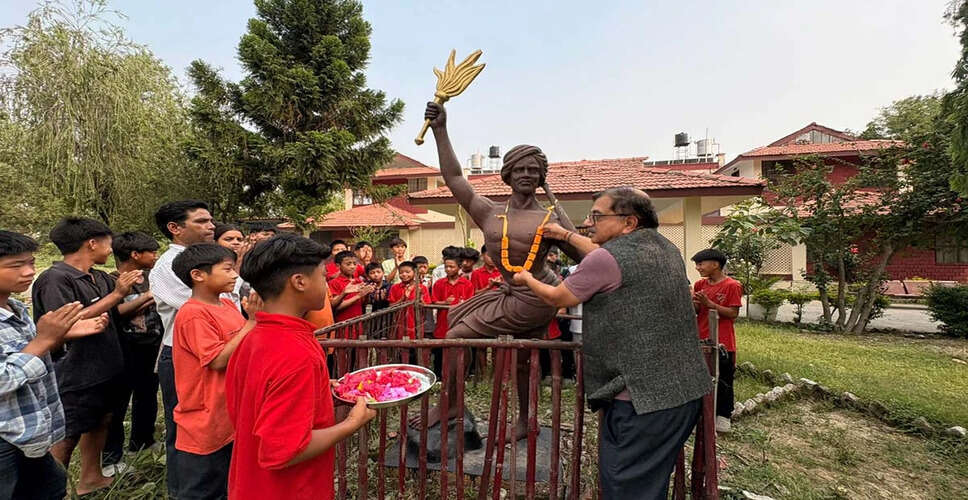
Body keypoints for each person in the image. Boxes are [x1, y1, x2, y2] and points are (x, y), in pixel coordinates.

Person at [511, 187, 711, 499]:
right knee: (648, 483)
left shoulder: (607, 259)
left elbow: (558, 296)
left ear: (629, 223)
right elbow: (599, 254)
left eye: (598, 216)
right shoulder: (663, 247)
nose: (589, 223)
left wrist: (527, 278)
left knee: (624, 486)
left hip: (641, 401)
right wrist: (564, 236)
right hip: (683, 391)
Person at [417, 101, 581, 435]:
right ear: (507, 173)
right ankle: (524, 421)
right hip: (513, 291)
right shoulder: (489, 212)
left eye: (534, 171)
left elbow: (580, 256)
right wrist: (441, 130)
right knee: (519, 358)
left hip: (536, 296)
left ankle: (450, 405)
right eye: (519, 169)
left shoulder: (549, 218)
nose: (526, 175)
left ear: (541, 177)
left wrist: (556, 207)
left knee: (455, 335)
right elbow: (453, 177)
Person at [226, 234, 376, 499]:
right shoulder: (296, 353)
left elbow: (258, 404)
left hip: (250, 485)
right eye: (323, 277)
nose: (327, 285)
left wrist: (319, 392)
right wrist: (351, 424)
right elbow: (282, 450)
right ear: (299, 282)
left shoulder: (253, 337)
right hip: (288, 490)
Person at [31, 217, 142, 495]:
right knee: (68, 433)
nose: (111, 249)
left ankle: (91, 477)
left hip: (104, 364)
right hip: (75, 368)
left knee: (100, 420)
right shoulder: (55, 279)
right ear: (92, 243)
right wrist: (116, 295)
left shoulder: (100, 276)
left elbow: (111, 312)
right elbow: (63, 322)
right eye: (108, 243)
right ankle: (52, 490)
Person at [0, 230, 107, 500]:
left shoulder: (16, 309)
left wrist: (53, 336)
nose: (28, 271)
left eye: (31, 262)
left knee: (51, 488)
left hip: (29, 433)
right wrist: (46, 339)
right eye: (16, 265)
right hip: (5, 438)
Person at [171, 243, 257, 499]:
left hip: (228, 413)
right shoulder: (193, 314)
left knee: (226, 484)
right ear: (198, 275)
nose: (234, 275)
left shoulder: (227, 306)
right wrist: (251, 322)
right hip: (205, 421)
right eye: (228, 269)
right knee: (203, 489)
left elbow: (245, 345)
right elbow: (218, 360)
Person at [149, 199, 215, 498]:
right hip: (182, 354)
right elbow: (206, 308)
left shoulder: (206, 260)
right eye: (201, 221)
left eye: (211, 220)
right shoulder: (168, 266)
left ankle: (209, 485)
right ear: (175, 229)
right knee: (186, 426)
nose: (210, 226)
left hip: (210, 351)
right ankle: (182, 491)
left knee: (208, 423)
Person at [103, 232, 163, 473]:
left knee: (147, 394)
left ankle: (143, 441)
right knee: (118, 403)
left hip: (151, 344)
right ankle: (110, 458)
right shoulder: (111, 281)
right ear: (135, 255)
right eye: (152, 252)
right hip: (124, 347)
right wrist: (148, 297)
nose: (156, 256)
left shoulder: (152, 277)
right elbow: (114, 312)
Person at [691, 248, 742, 433]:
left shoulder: (732, 285)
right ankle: (701, 413)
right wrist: (692, 302)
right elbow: (697, 310)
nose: (698, 268)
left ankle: (724, 415)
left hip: (723, 340)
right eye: (696, 264)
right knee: (701, 378)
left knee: (724, 379)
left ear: (715, 264)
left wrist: (710, 305)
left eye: (701, 264)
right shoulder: (699, 285)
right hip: (701, 337)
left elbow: (733, 313)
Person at [430, 256, 474, 375]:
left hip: (460, 322)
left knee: (460, 349)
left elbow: (471, 303)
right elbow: (433, 301)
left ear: (459, 268)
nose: (448, 269)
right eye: (446, 267)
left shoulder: (467, 284)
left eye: (451, 267)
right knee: (440, 350)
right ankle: (439, 375)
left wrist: (462, 304)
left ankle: (462, 374)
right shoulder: (439, 284)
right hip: (442, 322)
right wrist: (445, 303)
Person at [328, 251, 375, 337]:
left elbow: (363, 304)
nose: (352, 266)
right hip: (343, 326)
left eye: (354, 263)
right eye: (348, 264)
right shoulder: (334, 282)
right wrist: (355, 295)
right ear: (338, 266)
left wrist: (367, 293)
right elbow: (336, 306)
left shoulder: (359, 281)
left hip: (358, 325)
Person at [387, 261, 431, 339]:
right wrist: (402, 299)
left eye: (407, 272)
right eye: (401, 272)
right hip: (399, 324)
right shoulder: (394, 287)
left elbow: (427, 306)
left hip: (416, 323)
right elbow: (391, 306)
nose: (404, 274)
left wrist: (420, 298)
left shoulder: (422, 288)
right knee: (402, 346)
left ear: (414, 272)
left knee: (416, 345)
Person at [215, 223, 251, 311]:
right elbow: (228, 296)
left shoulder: (246, 262)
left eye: (239, 240)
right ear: (215, 242)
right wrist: (238, 265)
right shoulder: (212, 265)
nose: (236, 242)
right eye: (229, 239)